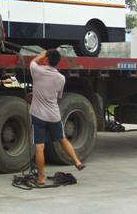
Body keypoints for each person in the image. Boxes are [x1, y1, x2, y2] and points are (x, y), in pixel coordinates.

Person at [29, 50, 86, 186]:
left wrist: (41, 55)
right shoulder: (61, 78)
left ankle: (41, 179)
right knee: (62, 138)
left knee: (39, 147)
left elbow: (32, 62)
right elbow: (58, 96)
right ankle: (77, 162)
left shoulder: (37, 71)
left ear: (46, 59)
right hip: (54, 115)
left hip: (38, 115)